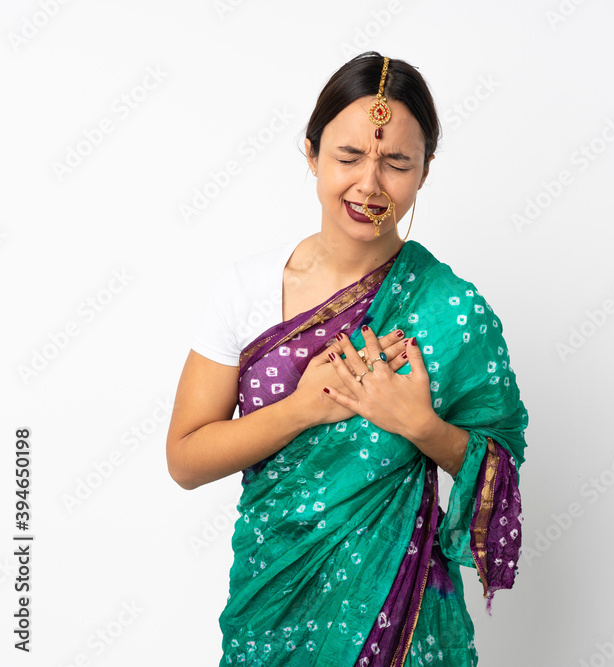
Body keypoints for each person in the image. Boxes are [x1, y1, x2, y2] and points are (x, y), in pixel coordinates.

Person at [165, 52, 529, 666]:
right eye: (349, 157)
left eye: (396, 163)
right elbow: (186, 458)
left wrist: (419, 425)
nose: (370, 185)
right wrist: (303, 409)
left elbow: (501, 468)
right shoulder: (245, 289)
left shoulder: (451, 309)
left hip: (403, 613)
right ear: (310, 154)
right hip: (274, 598)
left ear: (425, 171)